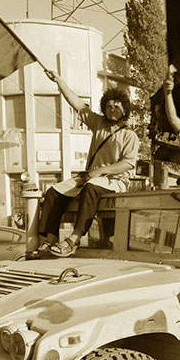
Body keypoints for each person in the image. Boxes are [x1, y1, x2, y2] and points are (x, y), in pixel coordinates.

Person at [38, 68, 139, 257]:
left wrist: (100, 171)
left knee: (90, 187)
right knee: (53, 192)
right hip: (90, 178)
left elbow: (128, 164)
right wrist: (59, 80)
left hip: (114, 180)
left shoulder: (129, 135)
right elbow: (76, 103)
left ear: (124, 109)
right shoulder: (98, 123)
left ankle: (73, 239)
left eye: (117, 106)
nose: (112, 109)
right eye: (109, 106)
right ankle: (50, 240)